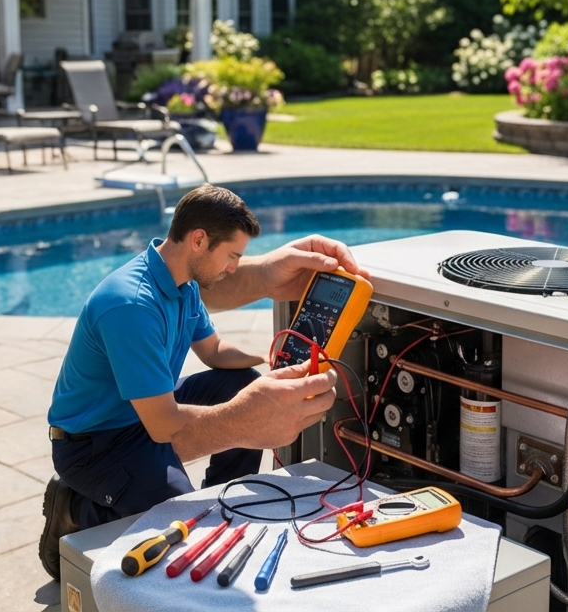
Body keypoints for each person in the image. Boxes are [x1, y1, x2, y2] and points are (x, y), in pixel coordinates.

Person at [38, 184, 366, 579]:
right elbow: (164, 426)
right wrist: (248, 418)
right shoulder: (130, 304)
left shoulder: (184, 284)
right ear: (198, 240)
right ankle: (76, 508)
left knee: (240, 382)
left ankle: (218, 498)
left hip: (143, 413)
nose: (234, 268)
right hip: (96, 444)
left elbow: (215, 352)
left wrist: (270, 362)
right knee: (179, 531)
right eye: (232, 256)